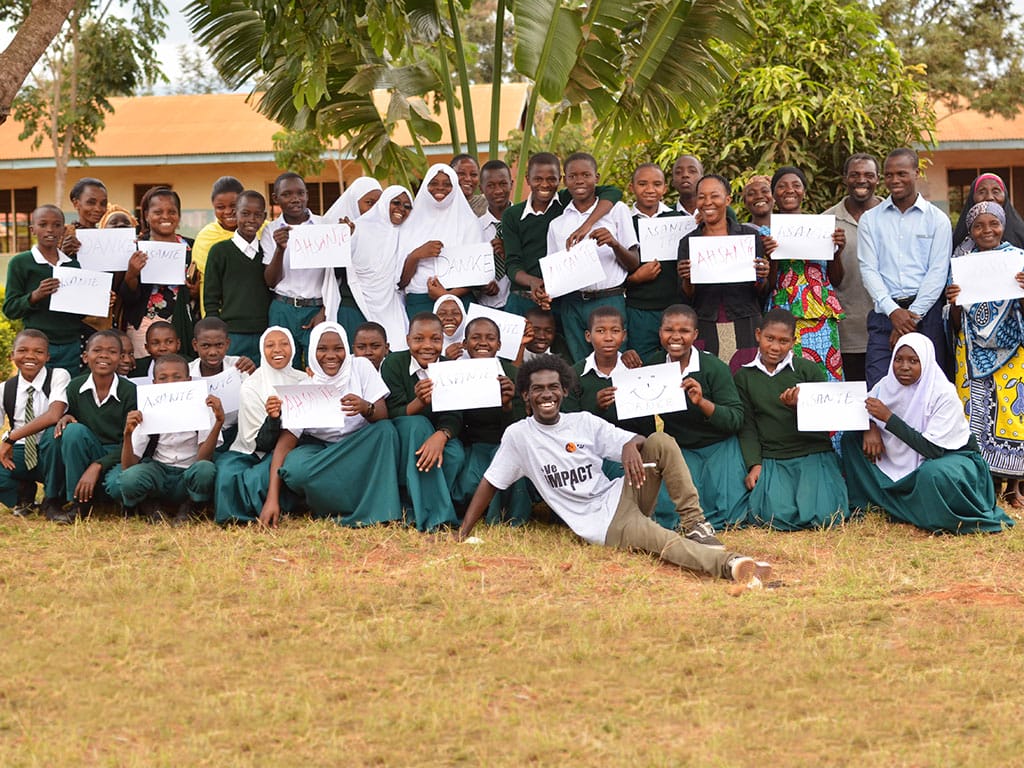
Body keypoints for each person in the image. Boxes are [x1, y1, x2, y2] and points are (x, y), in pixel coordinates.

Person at [455, 354, 772, 590]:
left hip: (623, 492)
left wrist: (630, 444)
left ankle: (694, 523)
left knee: (660, 441)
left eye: (553, 387)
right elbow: (490, 482)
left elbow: (639, 440)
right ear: (526, 395)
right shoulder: (519, 436)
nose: (546, 394)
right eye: (538, 389)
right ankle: (732, 565)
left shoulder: (582, 421)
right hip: (605, 524)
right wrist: (464, 531)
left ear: (564, 391)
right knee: (662, 540)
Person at [841, 333, 1013, 533]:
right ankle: (873, 504)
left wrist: (888, 418)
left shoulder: (943, 393)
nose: (904, 367)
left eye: (913, 361)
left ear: (926, 362)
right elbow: (864, 409)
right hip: (900, 456)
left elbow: (933, 450)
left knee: (933, 474)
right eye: (898, 359)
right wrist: (870, 426)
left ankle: (929, 513)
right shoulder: (885, 385)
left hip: (948, 458)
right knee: (852, 440)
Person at [261, 321, 402, 528]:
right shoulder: (305, 388)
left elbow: (382, 415)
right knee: (295, 471)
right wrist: (271, 499)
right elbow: (284, 445)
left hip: (360, 448)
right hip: (323, 452)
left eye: (338, 348)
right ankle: (335, 506)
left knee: (385, 431)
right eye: (322, 349)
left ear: (346, 348)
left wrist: (365, 407)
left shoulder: (360, 367)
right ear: (312, 352)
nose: (331, 355)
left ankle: (377, 510)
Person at [562, 305, 687, 537]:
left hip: (634, 447)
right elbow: (569, 425)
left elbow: (648, 423)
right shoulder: (575, 374)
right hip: (594, 453)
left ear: (624, 335)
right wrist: (596, 407)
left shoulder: (636, 369)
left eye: (615, 331)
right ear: (588, 336)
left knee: (655, 496)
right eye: (600, 331)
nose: (608, 337)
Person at [733, 308, 849, 530]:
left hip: (812, 451)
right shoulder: (744, 377)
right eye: (769, 338)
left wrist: (801, 406)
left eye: (783, 341)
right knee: (772, 517)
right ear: (758, 335)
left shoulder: (808, 370)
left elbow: (827, 419)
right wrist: (755, 464)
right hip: (774, 456)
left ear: (793, 342)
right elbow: (747, 426)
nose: (775, 347)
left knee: (826, 516)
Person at [945, 201, 1024, 506]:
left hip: (1013, 349)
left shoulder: (1017, 260)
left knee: (1011, 414)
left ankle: (1014, 486)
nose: (986, 230)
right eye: (978, 225)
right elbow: (955, 322)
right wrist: (953, 302)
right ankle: (986, 482)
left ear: (1003, 225)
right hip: (971, 350)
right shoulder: (961, 263)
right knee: (974, 415)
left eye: (994, 223)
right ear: (970, 230)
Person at [858, 148, 952, 387]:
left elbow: (938, 272)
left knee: (928, 389)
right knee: (878, 387)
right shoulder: (870, 220)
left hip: (927, 317)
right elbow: (868, 269)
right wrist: (894, 312)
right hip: (884, 315)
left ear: (916, 173)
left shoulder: (937, 220)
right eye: (889, 175)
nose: (895, 180)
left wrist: (910, 318)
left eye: (901, 173)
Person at [650, 305, 750, 529]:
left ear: (695, 334)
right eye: (669, 330)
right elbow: (643, 418)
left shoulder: (713, 367)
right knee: (672, 515)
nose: (676, 337)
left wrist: (703, 403)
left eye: (684, 331)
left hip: (719, 445)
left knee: (729, 514)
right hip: (681, 448)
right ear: (660, 332)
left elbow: (736, 419)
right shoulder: (653, 366)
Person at [501, 152, 623, 317]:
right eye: (538, 179)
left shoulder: (567, 200)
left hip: (559, 298)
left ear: (560, 180)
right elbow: (512, 264)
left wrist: (587, 225)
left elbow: (613, 192)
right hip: (523, 296)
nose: (545, 185)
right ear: (528, 179)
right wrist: (533, 282)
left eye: (552, 179)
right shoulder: (512, 215)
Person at [107, 354, 224, 524]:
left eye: (177, 377)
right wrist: (128, 434)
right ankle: (151, 508)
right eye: (163, 378)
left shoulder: (203, 408)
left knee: (205, 469)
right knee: (128, 479)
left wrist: (219, 422)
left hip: (188, 471)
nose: (170, 383)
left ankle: (191, 507)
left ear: (189, 380)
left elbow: (203, 458)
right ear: (154, 383)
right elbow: (128, 466)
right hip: (159, 470)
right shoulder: (146, 409)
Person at [547, 152, 640, 361]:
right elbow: (554, 274)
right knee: (581, 365)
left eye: (586, 175)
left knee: (616, 362)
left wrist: (614, 244)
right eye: (573, 176)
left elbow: (634, 262)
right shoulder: (557, 224)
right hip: (572, 304)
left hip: (609, 299)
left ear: (596, 178)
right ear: (565, 181)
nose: (579, 180)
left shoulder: (617, 211)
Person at [380, 312, 466, 531]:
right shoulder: (393, 364)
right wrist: (419, 402)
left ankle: (424, 505)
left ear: (442, 341)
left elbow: (454, 414)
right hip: (405, 434)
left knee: (454, 454)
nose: (427, 346)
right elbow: (391, 412)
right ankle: (429, 514)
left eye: (435, 339)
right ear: (408, 340)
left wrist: (441, 435)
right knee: (417, 425)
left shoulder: (449, 367)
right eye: (419, 339)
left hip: (437, 433)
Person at [214, 326, 308, 525]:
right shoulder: (251, 385)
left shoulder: (304, 380)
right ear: (262, 350)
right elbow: (258, 442)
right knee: (227, 473)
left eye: (284, 344)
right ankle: (234, 518)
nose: (277, 350)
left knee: (259, 478)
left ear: (292, 348)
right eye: (270, 345)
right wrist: (273, 419)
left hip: (290, 449)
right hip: (252, 449)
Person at [766, 166, 846, 382]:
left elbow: (837, 280)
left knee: (823, 376)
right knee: (786, 377)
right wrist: (771, 257)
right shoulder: (766, 233)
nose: (789, 190)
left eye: (796, 185)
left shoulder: (822, 229)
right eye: (782, 186)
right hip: (783, 314)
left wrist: (837, 251)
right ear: (773, 194)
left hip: (820, 314)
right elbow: (766, 286)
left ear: (804, 192)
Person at [677, 175, 770, 359]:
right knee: (711, 374)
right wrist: (687, 278)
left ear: (727, 200)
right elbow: (686, 295)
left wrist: (762, 276)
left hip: (746, 321)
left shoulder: (749, 237)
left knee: (746, 373)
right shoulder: (688, 242)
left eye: (714, 196)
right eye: (701, 197)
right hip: (705, 323)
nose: (707, 202)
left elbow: (761, 290)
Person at [451, 317, 531, 525]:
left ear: (499, 344)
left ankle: (507, 517)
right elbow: (455, 419)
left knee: (505, 461)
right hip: (473, 445)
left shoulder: (513, 374)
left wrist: (507, 405)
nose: (483, 343)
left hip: (504, 444)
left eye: (490, 338)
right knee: (468, 485)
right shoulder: (455, 374)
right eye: (476, 337)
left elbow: (521, 427)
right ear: (465, 344)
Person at [51, 330, 138, 523]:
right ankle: (79, 504)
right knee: (72, 431)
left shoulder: (131, 392)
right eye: (97, 350)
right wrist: (67, 416)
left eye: (112, 352)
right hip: (89, 450)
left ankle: (113, 500)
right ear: (85, 356)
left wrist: (98, 465)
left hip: (118, 455)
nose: (104, 356)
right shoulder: (75, 387)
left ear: (120, 358)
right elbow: (74, 427)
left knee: (119, 485)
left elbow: (134, 443)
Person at [2, 205, 85, 372]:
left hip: (72, 345)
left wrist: (98, 300)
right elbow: (10, 309)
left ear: (64, 230)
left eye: (57, 225)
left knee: (69, 387)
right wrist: (35, 295)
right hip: (37, 346)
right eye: (43, 224)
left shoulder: (73, 265)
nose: (50, 230)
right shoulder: (21, 263)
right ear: (32, 229)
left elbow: (79, 312)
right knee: (38, 387)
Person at [119, 187, 198, 359]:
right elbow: (127, 297)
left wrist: (195, 291)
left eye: (172, 212)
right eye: (158, 212)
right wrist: (132, 273)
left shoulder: (192, 247)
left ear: (179, 215)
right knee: (147, 372)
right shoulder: (135, 248)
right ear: (146, 215)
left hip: (182, 324)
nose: (165, 216)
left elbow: (200, 289)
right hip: (144, 327)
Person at [824, 154, 882, 382]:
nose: (861, 180)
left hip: (889, 328)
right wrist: (834, 252)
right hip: (846, 333)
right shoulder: (827, 221)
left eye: (869, 175)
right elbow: (829, 281)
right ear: (845, 178)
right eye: (855, 175)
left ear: (878, 179)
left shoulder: (893, 216)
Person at [0, 330, 70, 518]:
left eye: (38, 352)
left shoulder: (58, 376)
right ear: (12, 355)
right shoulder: (5, 389)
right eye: (23, 350)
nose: (30, 356)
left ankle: (52, 500)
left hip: (52, 450)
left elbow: (54, 415)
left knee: (54, 436)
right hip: (21, 451)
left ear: (48, 357)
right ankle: (22, 496)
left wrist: (11, 437)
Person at [624, 163, 688, 360]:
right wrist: (636, 278)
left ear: (665, 188)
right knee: (641, 364)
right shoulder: (623, 222)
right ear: (631, 187)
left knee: (677, 362)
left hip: (674, 307)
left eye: (657, 184)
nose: (650, 189)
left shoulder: (679, 220)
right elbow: (613, 271)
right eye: (642, 184)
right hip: (639, 310)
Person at [398, 164, 481, 316]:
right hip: (420, 300)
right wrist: (417, 255)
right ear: (425, 186)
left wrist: (447, 296)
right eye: (434, 183)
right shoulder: (409, 223)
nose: (440, 188)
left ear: (455, 187)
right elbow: (401, 281)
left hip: (459, 301)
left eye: (447, 184)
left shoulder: (469, 222)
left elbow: (477, 274)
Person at [261, 172, 325, 369]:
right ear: (276, 198)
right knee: (284, 367)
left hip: (317, 308)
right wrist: (280, 249)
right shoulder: (271, 230)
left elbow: (337, 276)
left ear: (307, 195)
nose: (295, 199)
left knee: (318, 365)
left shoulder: (324, 225)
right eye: (287, 194)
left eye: (300, 193)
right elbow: (271, 281)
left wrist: (326, 309)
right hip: (283, 308)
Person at [341, 185, 413, 352]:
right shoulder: (358, 229)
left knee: (397, 348)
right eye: (396, 203)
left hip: (390, 305)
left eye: (407, 206)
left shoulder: (405, 233)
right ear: (384, 203)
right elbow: (341, 264)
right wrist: (345, 238)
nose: (401, 209)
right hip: (360, 302)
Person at [203, 189, 273, 361]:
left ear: (264, 217)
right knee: (232, 376)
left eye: (257, 215)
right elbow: (211, 298)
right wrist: (217, 333)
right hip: (231, 334)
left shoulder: (268, 252)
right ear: (235, 213)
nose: (251, 219)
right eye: (245, 213)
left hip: (264, 332)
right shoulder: (219, 251)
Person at [322, 177, 384, 340]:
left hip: (383, 307)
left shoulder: (387, 231)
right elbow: (335, 273)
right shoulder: (339, 231)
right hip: (351, 307)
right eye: (369, 203)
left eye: (379, 203)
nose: (375, 209)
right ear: (353, 204)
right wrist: (345, 243)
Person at [189, 316, 256, 451]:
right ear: (195, 345)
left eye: (219, 345)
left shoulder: (240, 367)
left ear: (227, 344)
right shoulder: (186, 373)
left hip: (235, 435)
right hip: (199, 440)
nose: (213, 352)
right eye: (206, 346)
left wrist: (254, 375)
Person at [191, 176, 245, 316]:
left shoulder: (262, 229)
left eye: (234, 205)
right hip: (217, 314)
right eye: (220, 207)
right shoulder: (205, 238)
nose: (228, 211)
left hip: (255, 311)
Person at [951, 173, 1024, 253]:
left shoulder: (1020, 234)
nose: (989, 197)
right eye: (982, 192)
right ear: (972, 197)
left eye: (996, 192)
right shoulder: (960, 243)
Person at [477, 160, 513, 310]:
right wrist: (480, 284)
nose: (498, 191)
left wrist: (509, 253)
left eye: (503, 184)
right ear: (481, 188)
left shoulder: (525, 222)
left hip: (518, 304)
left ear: (511, 184)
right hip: (485, 306)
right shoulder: (474, 228)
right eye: (490, 185)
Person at [60, 177, 108, 256]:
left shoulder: (108, 238)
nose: (98, 209)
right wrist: (63, 253)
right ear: (76, 203)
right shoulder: (61, 234)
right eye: (91, 202)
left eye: (103, 203)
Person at [433, 293, 468, 360]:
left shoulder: (475, 345)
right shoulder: (429, 347)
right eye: (442, 314)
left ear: (464, 317)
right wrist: (445, 359)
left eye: (455, 313)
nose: (449, 318)